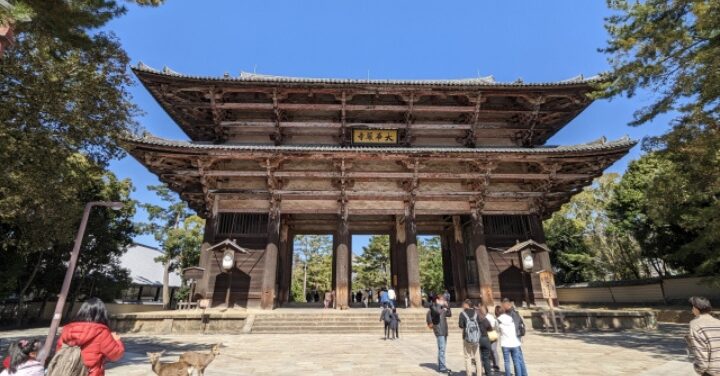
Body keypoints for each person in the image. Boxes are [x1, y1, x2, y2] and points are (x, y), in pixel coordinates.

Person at [54, 298, 125, 376]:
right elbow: (116, 355)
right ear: (101, 314)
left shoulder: (67, 329)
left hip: (68, 372)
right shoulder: (101, 332)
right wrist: (117, 340)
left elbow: (59, 351)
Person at [458, 299, 492, 376]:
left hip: (467, 338)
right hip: (476, 338)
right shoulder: (476, 313)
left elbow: (461, 325)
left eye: (464, 304)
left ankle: (469, 374)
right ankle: (479, 374)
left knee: (468, 357)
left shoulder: (462, 314)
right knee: (477, 357)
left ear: (466, 305)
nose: (463, 306)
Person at [687, 296, 720, 375]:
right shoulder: (718, 322)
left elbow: (700, 351)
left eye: (692, 308)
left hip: (711, 371)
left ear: (695, 308)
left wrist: (699, 369)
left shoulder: (695, 324)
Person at [497, 305, 528, 376]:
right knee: (516, 361)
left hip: (505, 343)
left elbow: (497, 329)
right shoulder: (512, 318)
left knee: (507, 362)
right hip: (515, 342)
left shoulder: (498, 320)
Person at [426, 293, 452, 374]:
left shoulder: (443, 308)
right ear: (437, 300)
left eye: (444, 300)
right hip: (439, 330)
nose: (443, 301)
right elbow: (437, 312)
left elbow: (449, 314)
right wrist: (442, 308)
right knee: (442, 349)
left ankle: (442, 365)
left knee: (442, 349)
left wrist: (447, 306)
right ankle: (442, 367)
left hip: (444, 330)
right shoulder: (433, 306)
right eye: (442, 300)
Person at [485, 305, 502, 373]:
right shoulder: (483, 317)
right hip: (486, 336)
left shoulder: (490, 317)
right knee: (488, 350)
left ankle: (496, 365)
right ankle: (489, 364)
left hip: (491, 335)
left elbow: (493, 326)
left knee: (493, 350)